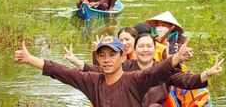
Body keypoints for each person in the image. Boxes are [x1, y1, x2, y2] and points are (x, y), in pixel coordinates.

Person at [14, 36, 193, 107]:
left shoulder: (135, 79)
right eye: (102, 56)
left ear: (121, 57)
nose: (107, 60)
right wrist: (30, 59)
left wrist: (176, 58)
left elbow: (157, 72)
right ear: (97, 59)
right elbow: (61, 71)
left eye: (112, 55)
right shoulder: (92, 81)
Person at [66, 34, 224, 107]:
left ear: (154, 49)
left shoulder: (162, 69)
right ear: (135, 49)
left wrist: (208, 73)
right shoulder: (126, 67)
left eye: (149, 46)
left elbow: (186, 81)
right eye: (141, 46)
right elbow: (98, 72)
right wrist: (76, 61)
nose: (145, 50)